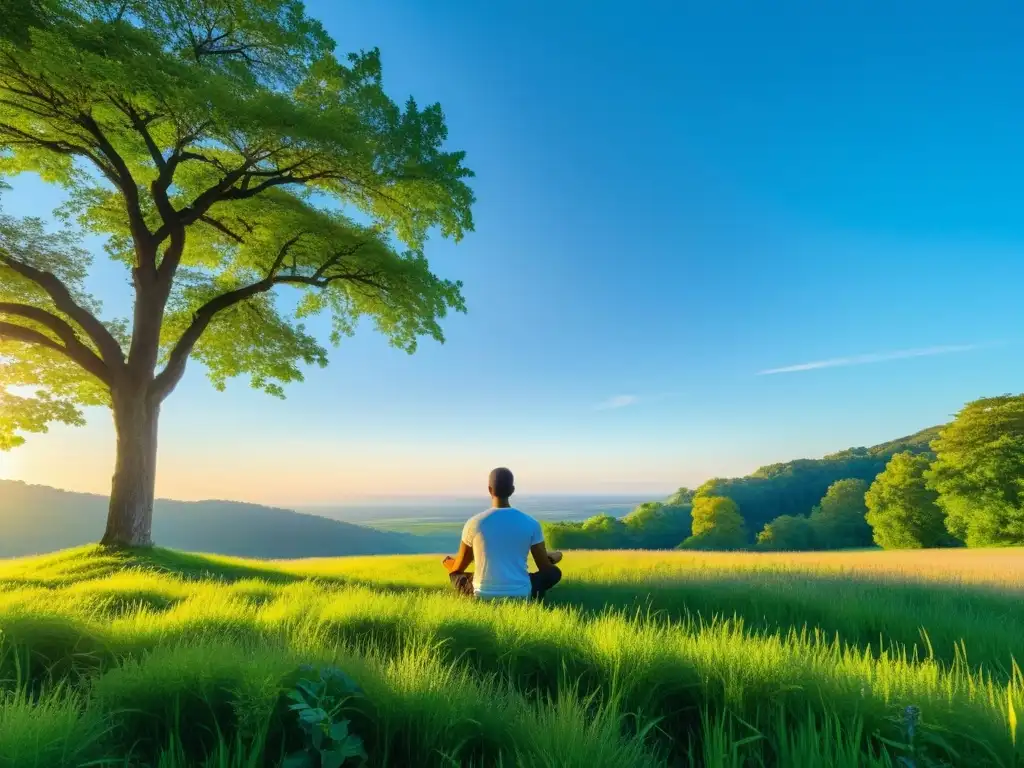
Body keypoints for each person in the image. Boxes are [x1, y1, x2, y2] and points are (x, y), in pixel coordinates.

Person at [443, 467, 563, 600]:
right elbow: (545, 569)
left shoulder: (474, 523)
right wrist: (554, 558)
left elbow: (458, 567)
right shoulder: (531, 523)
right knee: (554, 573)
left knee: (455, 575)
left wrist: (448, 563)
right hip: (522, 593)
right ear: (512, 490)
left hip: (480, 595)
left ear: (489, 490)